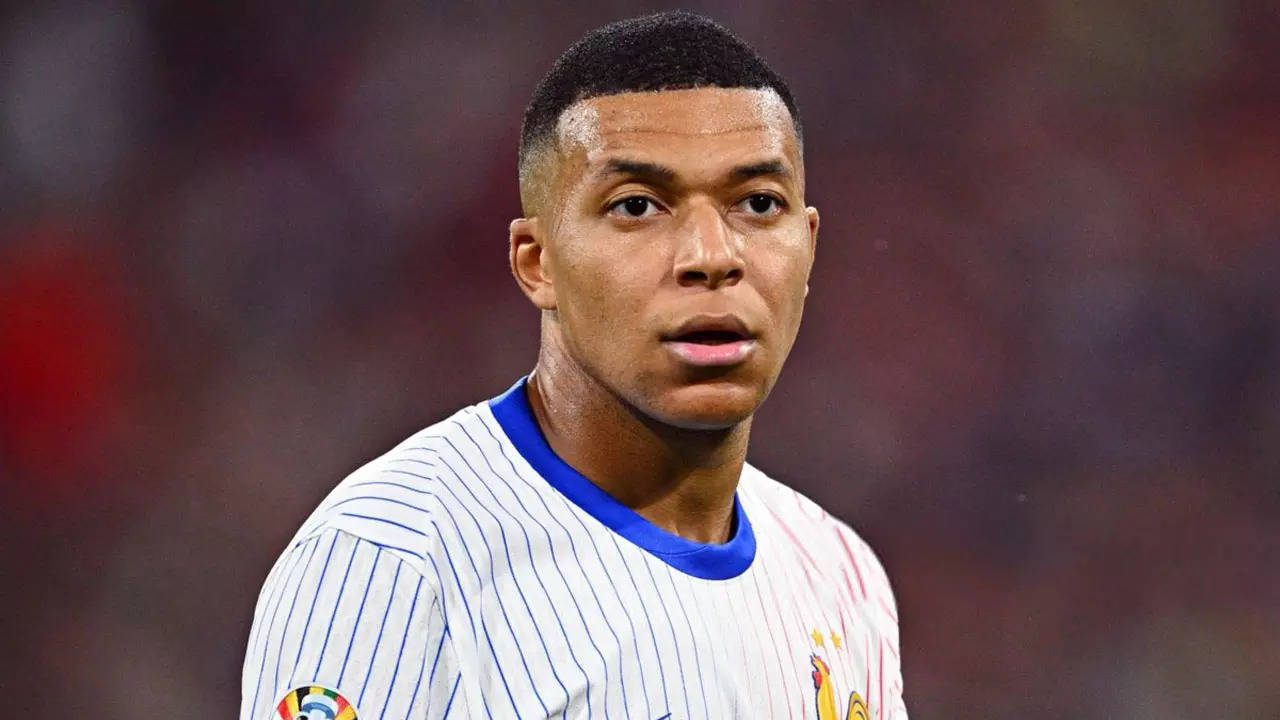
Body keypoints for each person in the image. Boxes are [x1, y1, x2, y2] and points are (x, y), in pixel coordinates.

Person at [241, 10, 905, 720]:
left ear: (809, 245)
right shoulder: (391, 561)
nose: (712, 256)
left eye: (758, 203)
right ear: (538, 263)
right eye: (638, 206)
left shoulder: (842, 575)